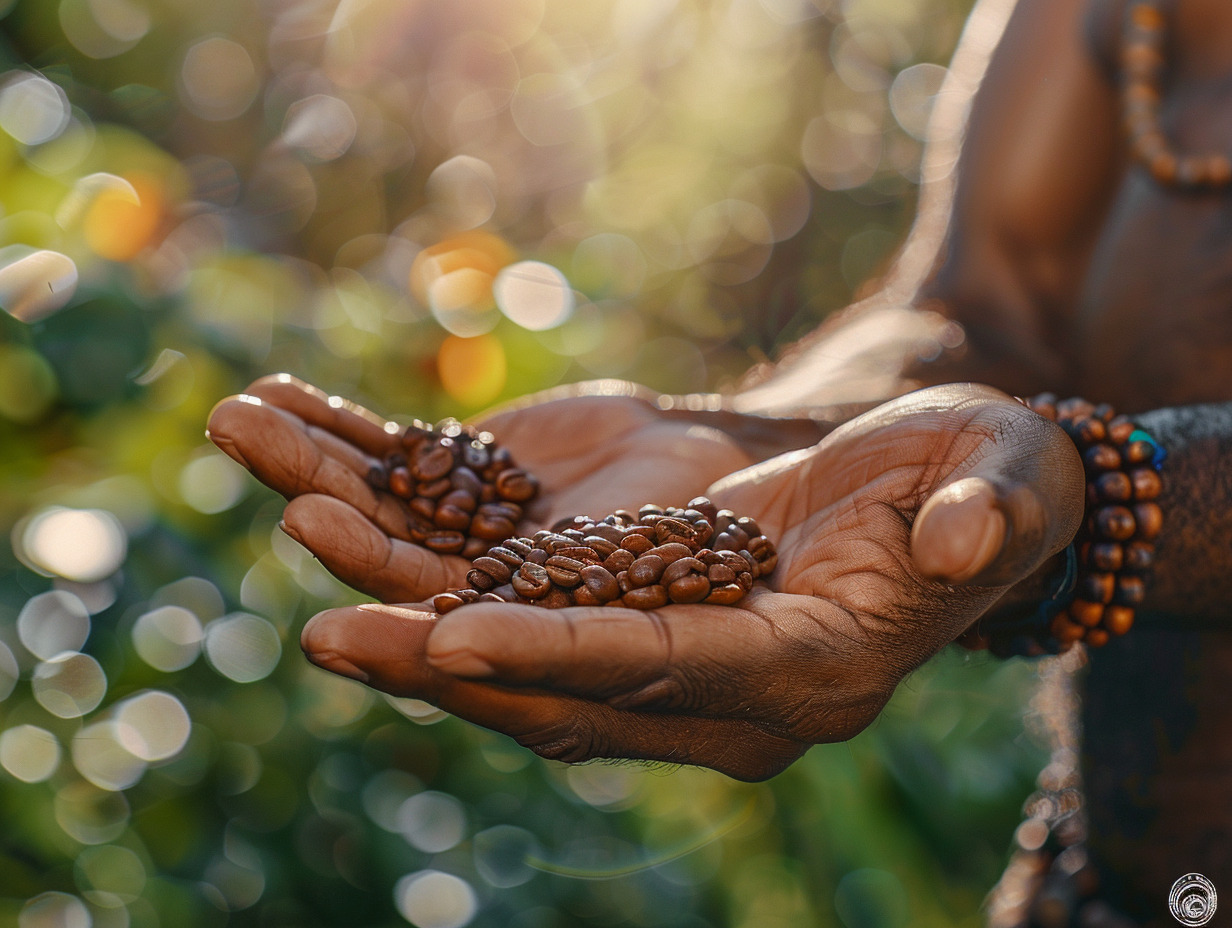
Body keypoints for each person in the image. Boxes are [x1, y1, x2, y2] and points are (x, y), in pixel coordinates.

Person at [207, 0, 1232, 922]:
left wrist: (1092, 502)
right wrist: (775, 436)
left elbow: (1069, 459)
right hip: (1093, 882)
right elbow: (983, 301)